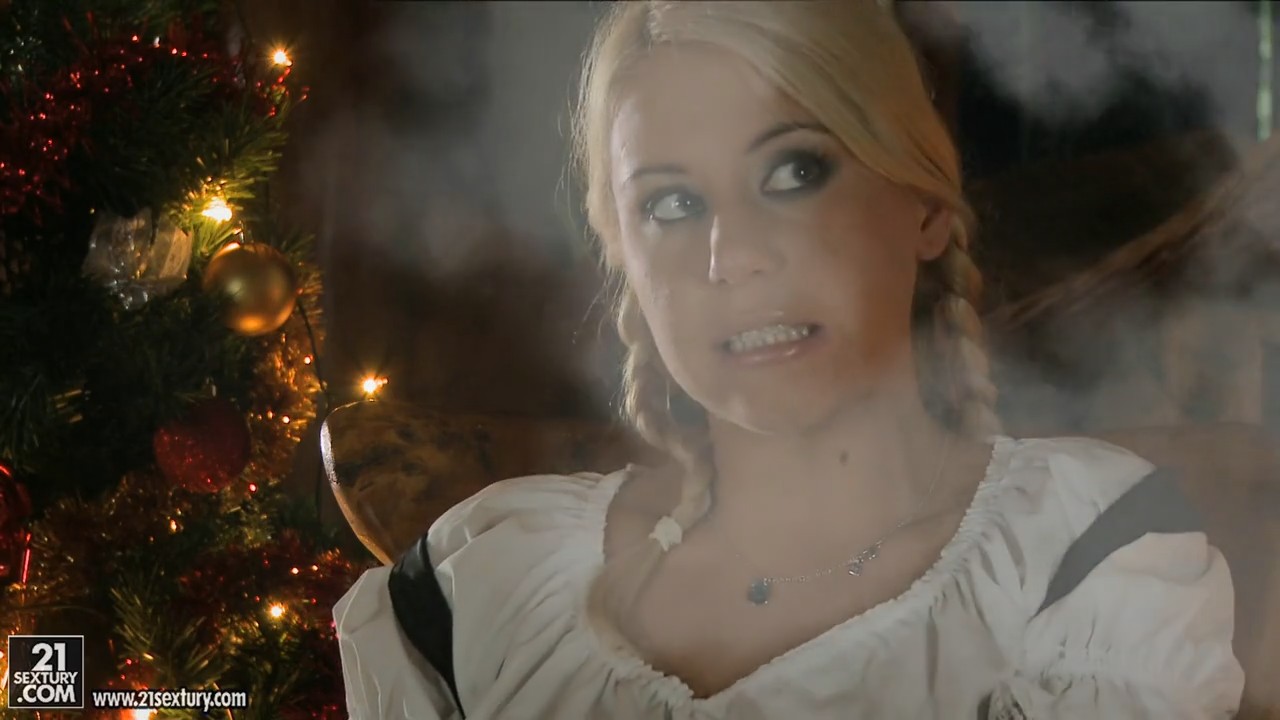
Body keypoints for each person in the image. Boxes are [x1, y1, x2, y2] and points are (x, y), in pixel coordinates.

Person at [333, 2, 1245, 718]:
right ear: (624, 261)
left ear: (926, 207)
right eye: (672, 205)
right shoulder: (482, 586)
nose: (733, 256)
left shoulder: (1081, 561)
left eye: (795, 173)